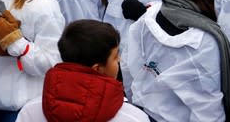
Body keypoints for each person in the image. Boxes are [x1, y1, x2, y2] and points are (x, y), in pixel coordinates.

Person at [126, 0, 230, 122]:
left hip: (143, 112)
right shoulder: (203, 41)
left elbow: (129, 65)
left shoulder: (149, 16)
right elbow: (207, 105)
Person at [16, 20, 149, 122]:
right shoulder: (134, 118)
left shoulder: (30, 111)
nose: (119, 60)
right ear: (97, 69)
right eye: (115, 57)